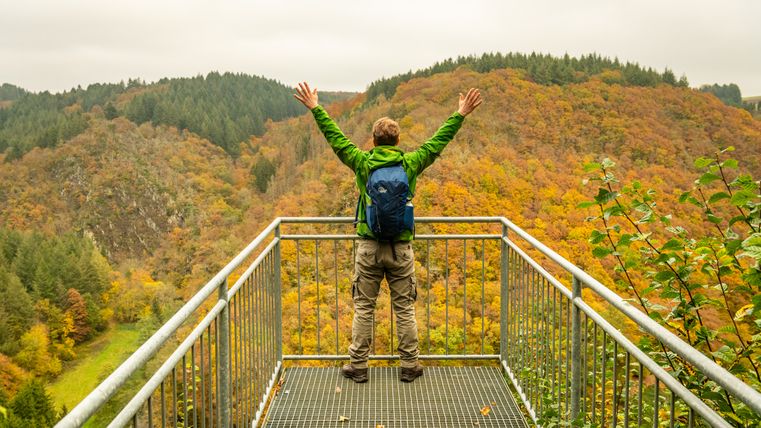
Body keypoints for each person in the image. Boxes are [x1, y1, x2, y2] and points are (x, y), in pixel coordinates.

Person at [294, 82, 483, 383]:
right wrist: (460, 114)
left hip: (368, 246)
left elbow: (337, 139)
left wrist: (316, 108)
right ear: (397, 140)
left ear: (373, 140)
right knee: (404, 307)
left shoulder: (362, 162)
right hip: (401, 249)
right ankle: (409, 366)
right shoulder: (409, 163)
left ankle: (358, 366)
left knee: (364, 308)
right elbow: (437, 143)